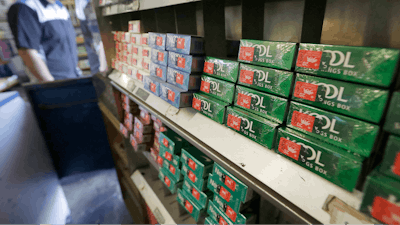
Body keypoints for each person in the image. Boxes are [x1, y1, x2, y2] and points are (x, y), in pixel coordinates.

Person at [7, 0, 82, 82]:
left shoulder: (59, 6)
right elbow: (27, 51)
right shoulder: (25, 7)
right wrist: (51, 84)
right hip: (51, 83)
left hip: (73, 78)